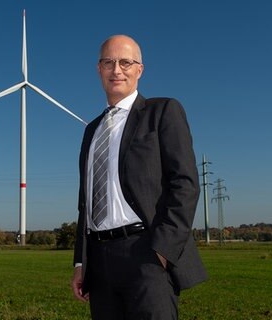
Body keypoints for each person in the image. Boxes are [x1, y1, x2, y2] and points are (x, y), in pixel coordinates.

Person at [71, 34, 207, 320]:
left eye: (125, 62)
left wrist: (163, 250)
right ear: (99, 69)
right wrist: (81, 263)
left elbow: (185, 183)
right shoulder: (91, 130)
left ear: (140, 69)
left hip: (146, 252)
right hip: (99, 260)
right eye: (108, 62)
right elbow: (85, 204)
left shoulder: (162, 112)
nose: (116, 70)